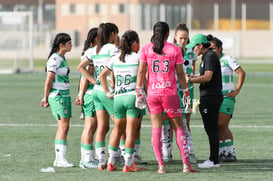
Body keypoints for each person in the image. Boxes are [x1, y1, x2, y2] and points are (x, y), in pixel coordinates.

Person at [136, 21, 199, 174]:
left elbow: (141, 72)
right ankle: (186, 165)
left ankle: (161, 166)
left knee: (156, 129)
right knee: (179, 127)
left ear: (153, 33)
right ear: (168, 34)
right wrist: (185, 92)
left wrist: (139, 91)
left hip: (152, 94)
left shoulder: (146, 49)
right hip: (169, 93)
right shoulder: (174, 49)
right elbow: (180, 74)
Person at [100, 30, 146, 172]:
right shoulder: (138, 57)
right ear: (134, 43)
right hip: (132, 96)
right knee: (130, 131)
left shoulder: (115, 58)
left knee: (117, 129)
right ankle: (128, 164)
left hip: (118, 98)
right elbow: (145, 77)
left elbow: (102, 76)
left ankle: (110, 163)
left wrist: (109, 92)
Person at [77, 23, 120, 170]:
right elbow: (113, 68)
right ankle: (117, 157)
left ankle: (102, 160)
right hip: (106, 91)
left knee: (103, 126)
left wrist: (94, 81)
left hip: (96, 91)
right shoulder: (112, 48)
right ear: (112, 34)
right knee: (120, 124)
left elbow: (80, 67)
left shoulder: (93, 50)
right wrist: (112, 86)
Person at [161, 23, 198, 163]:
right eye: (181, 38)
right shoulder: (170, 51)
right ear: (175, 38)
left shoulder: (190, 53)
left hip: (187, 91)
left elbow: (191, 68)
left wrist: (191, 78)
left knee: (185, 123)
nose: (183, 41)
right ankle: (167, 153)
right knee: (168, 123)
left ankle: (189, 152)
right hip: (172, 91)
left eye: (185, 38)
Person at [186, 34, 223, 168]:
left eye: (194, 47)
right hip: (209, 96)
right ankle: (213, 159)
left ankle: (213, 160)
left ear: (200, 46)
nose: (193, 50)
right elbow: (204, 75)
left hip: (211, 97)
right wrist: (193, 76)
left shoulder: (210, 57)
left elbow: (207, 77)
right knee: (210, 129)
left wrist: (190, 80)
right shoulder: (207, 57)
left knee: (211, 129)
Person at [208, 35, 245, 162]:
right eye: (209, 48)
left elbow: (241, 72)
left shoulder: (227, 59)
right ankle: (223, 152)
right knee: (217, 126)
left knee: (222, 124)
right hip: (214, 98)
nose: (211, 51)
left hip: (226, 97)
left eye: (213, 48)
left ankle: (231, 152)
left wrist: (237, 90)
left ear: (220, 49)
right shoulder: (209, 61)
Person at [40, 33, 74, 167]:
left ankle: (60, 159)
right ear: (62, 45)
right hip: (58, 95)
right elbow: (48, 80)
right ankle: (60, 159)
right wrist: (45, 97)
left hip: (65, 95)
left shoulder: (62, 58)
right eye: (69, 43)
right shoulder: (55, 59)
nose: (71, 45)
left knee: (65, 126)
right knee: (63, 126)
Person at [75, 27, 99, 169]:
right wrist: (81, 94)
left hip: (88, 93)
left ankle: (87, 157)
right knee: (90, 126)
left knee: (90, 127)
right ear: (96, 39)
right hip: (90, 93)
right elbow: (85, 76)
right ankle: (87, 159)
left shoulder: (89, 53)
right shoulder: (91, 54)